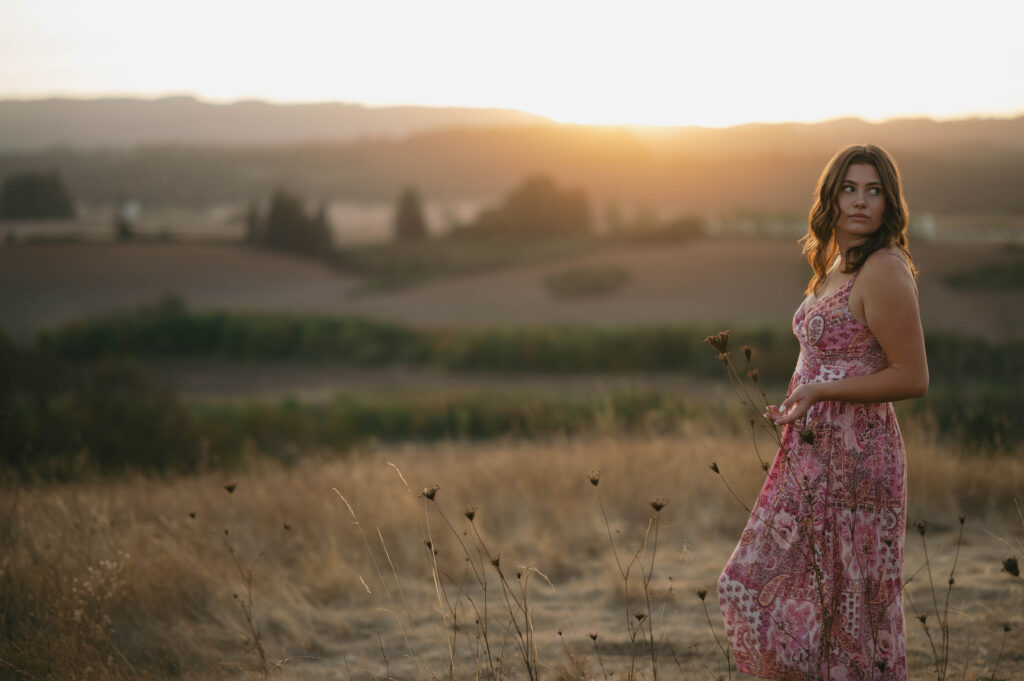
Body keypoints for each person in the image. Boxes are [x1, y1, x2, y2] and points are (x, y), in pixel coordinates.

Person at [717, 144, 928, 681]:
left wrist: (822, 395)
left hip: (859, 454)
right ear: (831, 198)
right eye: (849, 189)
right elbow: (825, 354)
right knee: (763, 582)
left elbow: (913, 377)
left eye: (874, 191)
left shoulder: (882, 269)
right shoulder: (835, 264)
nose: (860, 202)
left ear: (889, 203)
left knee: (850, 604)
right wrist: (800, 397)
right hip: (812, 449)